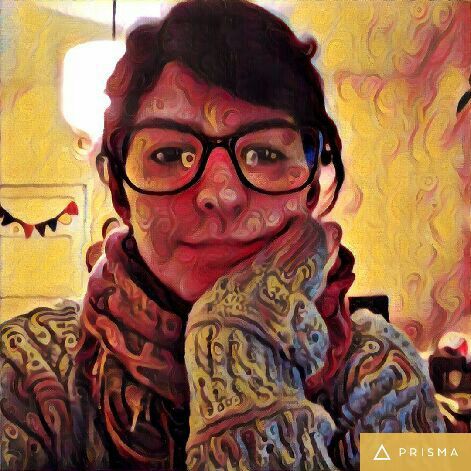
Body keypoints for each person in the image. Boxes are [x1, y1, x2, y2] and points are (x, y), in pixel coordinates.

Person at [0, 1, 446, 470]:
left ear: (310, 188)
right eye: (170, 154)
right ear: (120, 191)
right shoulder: (23, 373)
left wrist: (240, 346)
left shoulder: (387, 375)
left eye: (265, 154)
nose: (221, 193)